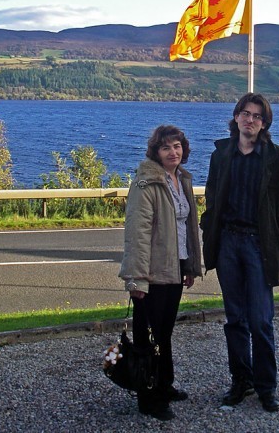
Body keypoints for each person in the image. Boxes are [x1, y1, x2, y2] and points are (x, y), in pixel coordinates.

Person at [201, 93, 279, 412]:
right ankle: (240, 381)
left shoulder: (277, 158)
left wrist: (278, 243)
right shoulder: (221, 155)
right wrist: (209, 229)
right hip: (228, 242)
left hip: (259, 246)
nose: (250, 119)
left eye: (257, 116)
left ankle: (266, 387)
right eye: (245, 113)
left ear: (264, 122)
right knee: (236, 319)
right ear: (236, 117)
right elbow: (212, 197)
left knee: (261, 321)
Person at [119, 125, 202, 421]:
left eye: (177, 146)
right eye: (166, 147)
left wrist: (190, 266)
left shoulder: (182, 179)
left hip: (176, 266)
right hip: (151, 271)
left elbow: (187, 228)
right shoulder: (147, 183)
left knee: (164, 333)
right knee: (148, 336)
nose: (173, 152)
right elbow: (137, 233)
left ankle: (163, 385)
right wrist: (137, 278)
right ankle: (148, 397)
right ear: (156, 151)